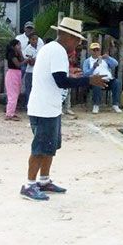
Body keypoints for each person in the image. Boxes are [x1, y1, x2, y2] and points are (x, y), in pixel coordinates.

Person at [20, 17, 107, 201]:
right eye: (76, 39)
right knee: (40, 148)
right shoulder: (58, 51)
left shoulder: (51, 48)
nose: (77, 43)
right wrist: (89, 80)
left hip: (48, 107)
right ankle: (28, 185)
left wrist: (72, 74)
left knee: (50, 146)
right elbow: (61, 81)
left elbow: (57, 76)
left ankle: (44, 180)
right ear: (66, 36)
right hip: (44, 108)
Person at [82, 42, 122, 114]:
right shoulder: (87, 61)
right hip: (95, 80)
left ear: (100, 51)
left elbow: (116, 64)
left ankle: (115, 104)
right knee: (97, 82)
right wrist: (93, 68)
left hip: (108, 80)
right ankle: (96, 105)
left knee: (117, 82)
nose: (96, 51)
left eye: (97, 50)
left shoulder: (105, 59)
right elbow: (85, 74)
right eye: (94, 50)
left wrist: (108, 57)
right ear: (90, 51)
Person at [5, 39, 25, 120]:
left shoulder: (17, 53)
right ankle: (9, 114)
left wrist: (20, 52)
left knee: (15, 94)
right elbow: (18, 64)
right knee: (12, 95)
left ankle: (11, 112)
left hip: (17, 74)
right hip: (12, 74)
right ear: (14, 46)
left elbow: (22, 59)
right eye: (18, 45)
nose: (20, 46)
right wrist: (26, 61)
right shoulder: (11, 54)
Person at [23, 32, 40, 107]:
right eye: (33, 39)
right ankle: (29, 106)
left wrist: (35, 59)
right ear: (29, 40)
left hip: (38, 72)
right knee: (29, 90)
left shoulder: (40, 47)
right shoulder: (27, 49)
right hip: (30, 72)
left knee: (37, 90)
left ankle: (36, 106)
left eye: (36, 39)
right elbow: (31, 63)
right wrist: (36, 60)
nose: (35, 41)